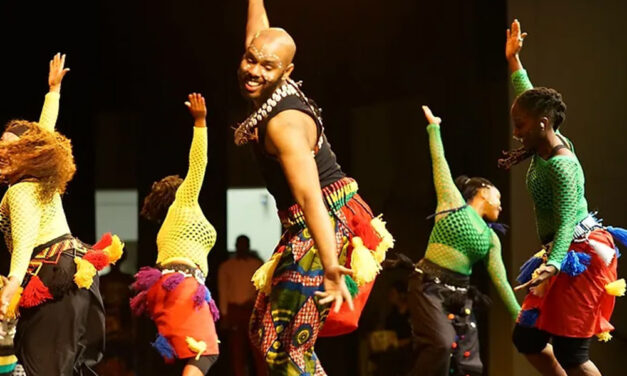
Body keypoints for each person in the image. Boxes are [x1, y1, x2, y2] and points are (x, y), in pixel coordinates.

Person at [234, 1, 394, 374]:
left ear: (285, 72)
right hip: (309, 224)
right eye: (250, 59)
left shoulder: (284, 124)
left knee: (285, 345)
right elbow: (259, 30)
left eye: (266, 66)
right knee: (263, 331)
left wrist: (331, 266)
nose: (253, 70)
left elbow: (309, 197)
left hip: (326, 223)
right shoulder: (269, 74)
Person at [503, 19, 624, 376]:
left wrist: (552, 265)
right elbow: (528, 97)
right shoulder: (545, 134)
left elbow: (569, 218)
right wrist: (514, 61)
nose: (515, 132)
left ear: (541, 124)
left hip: (580, 254)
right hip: (563, 249)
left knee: (573, 353)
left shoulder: (562, 165)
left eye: (520, 125)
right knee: (527, 339)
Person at [0, 54, 123, 375]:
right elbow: (44, 134)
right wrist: (52, 93)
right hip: (74, 271)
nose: (3, 152)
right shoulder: (42, 180)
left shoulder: (21, 189)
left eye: (12, 147)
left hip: (50, 274)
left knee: (43, 368)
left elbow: (25, 238)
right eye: (1, 145)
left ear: (29, 155)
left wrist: (13, 282)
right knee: (70, 367)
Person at [406, 106, 520, 376]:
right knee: (441, 345)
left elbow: (501, 280)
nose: (500, 207)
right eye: (498, 199)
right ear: (483, 192)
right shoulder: (453, 203)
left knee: (469, 363)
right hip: (428, 286)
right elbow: (439, 161)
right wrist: (434, 128)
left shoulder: (491, 237)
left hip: (460, 295)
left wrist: (519, 314)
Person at [132, 93, 219, 376]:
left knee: (184, 359)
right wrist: (200, 122)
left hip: (165, 288)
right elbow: (198, 165)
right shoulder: (185, 202)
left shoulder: (168, 227)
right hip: (183, 287)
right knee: (205, 353)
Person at [217, 235, 264, 376]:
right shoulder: (226, 266)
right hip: (234, 311)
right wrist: (224, 314)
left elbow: (261, 289)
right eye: (240, 244)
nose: (242, 247)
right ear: (236, 245)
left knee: (258, 350)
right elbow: (223, 290)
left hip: (251, 310)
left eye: (245, 244)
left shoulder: (256, 264)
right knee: (237, 351)